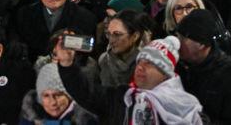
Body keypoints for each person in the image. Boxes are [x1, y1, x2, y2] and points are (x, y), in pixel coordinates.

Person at [55, 35, 204, 125]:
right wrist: (67, 64)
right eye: (140, 61)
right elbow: (86, 92)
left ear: (165, 74)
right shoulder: (123, 97)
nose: (140, 67)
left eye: (150, 63)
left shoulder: (187, 109)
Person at [174, 9, 231, 124]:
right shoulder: (179, 66)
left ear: (201, 44)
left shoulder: (229, 74)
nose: (178, 43)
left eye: (183, 38)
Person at [18, 61, 98, 125]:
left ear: (69, 95)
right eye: (46, 95)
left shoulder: (87, 120)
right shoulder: (29, 117)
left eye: (58, 95)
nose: (53, 102)